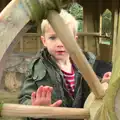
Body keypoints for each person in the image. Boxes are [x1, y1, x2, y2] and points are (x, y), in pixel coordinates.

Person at [19, 9, 96, 120]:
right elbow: (24, 99)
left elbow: (94, 91)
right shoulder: (36, 67)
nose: (60, 44)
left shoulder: (87, 64)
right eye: (53, 37)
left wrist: (103, 82)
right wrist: (35, 107)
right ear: (44, 41)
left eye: (65, 37)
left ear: (74, 40)